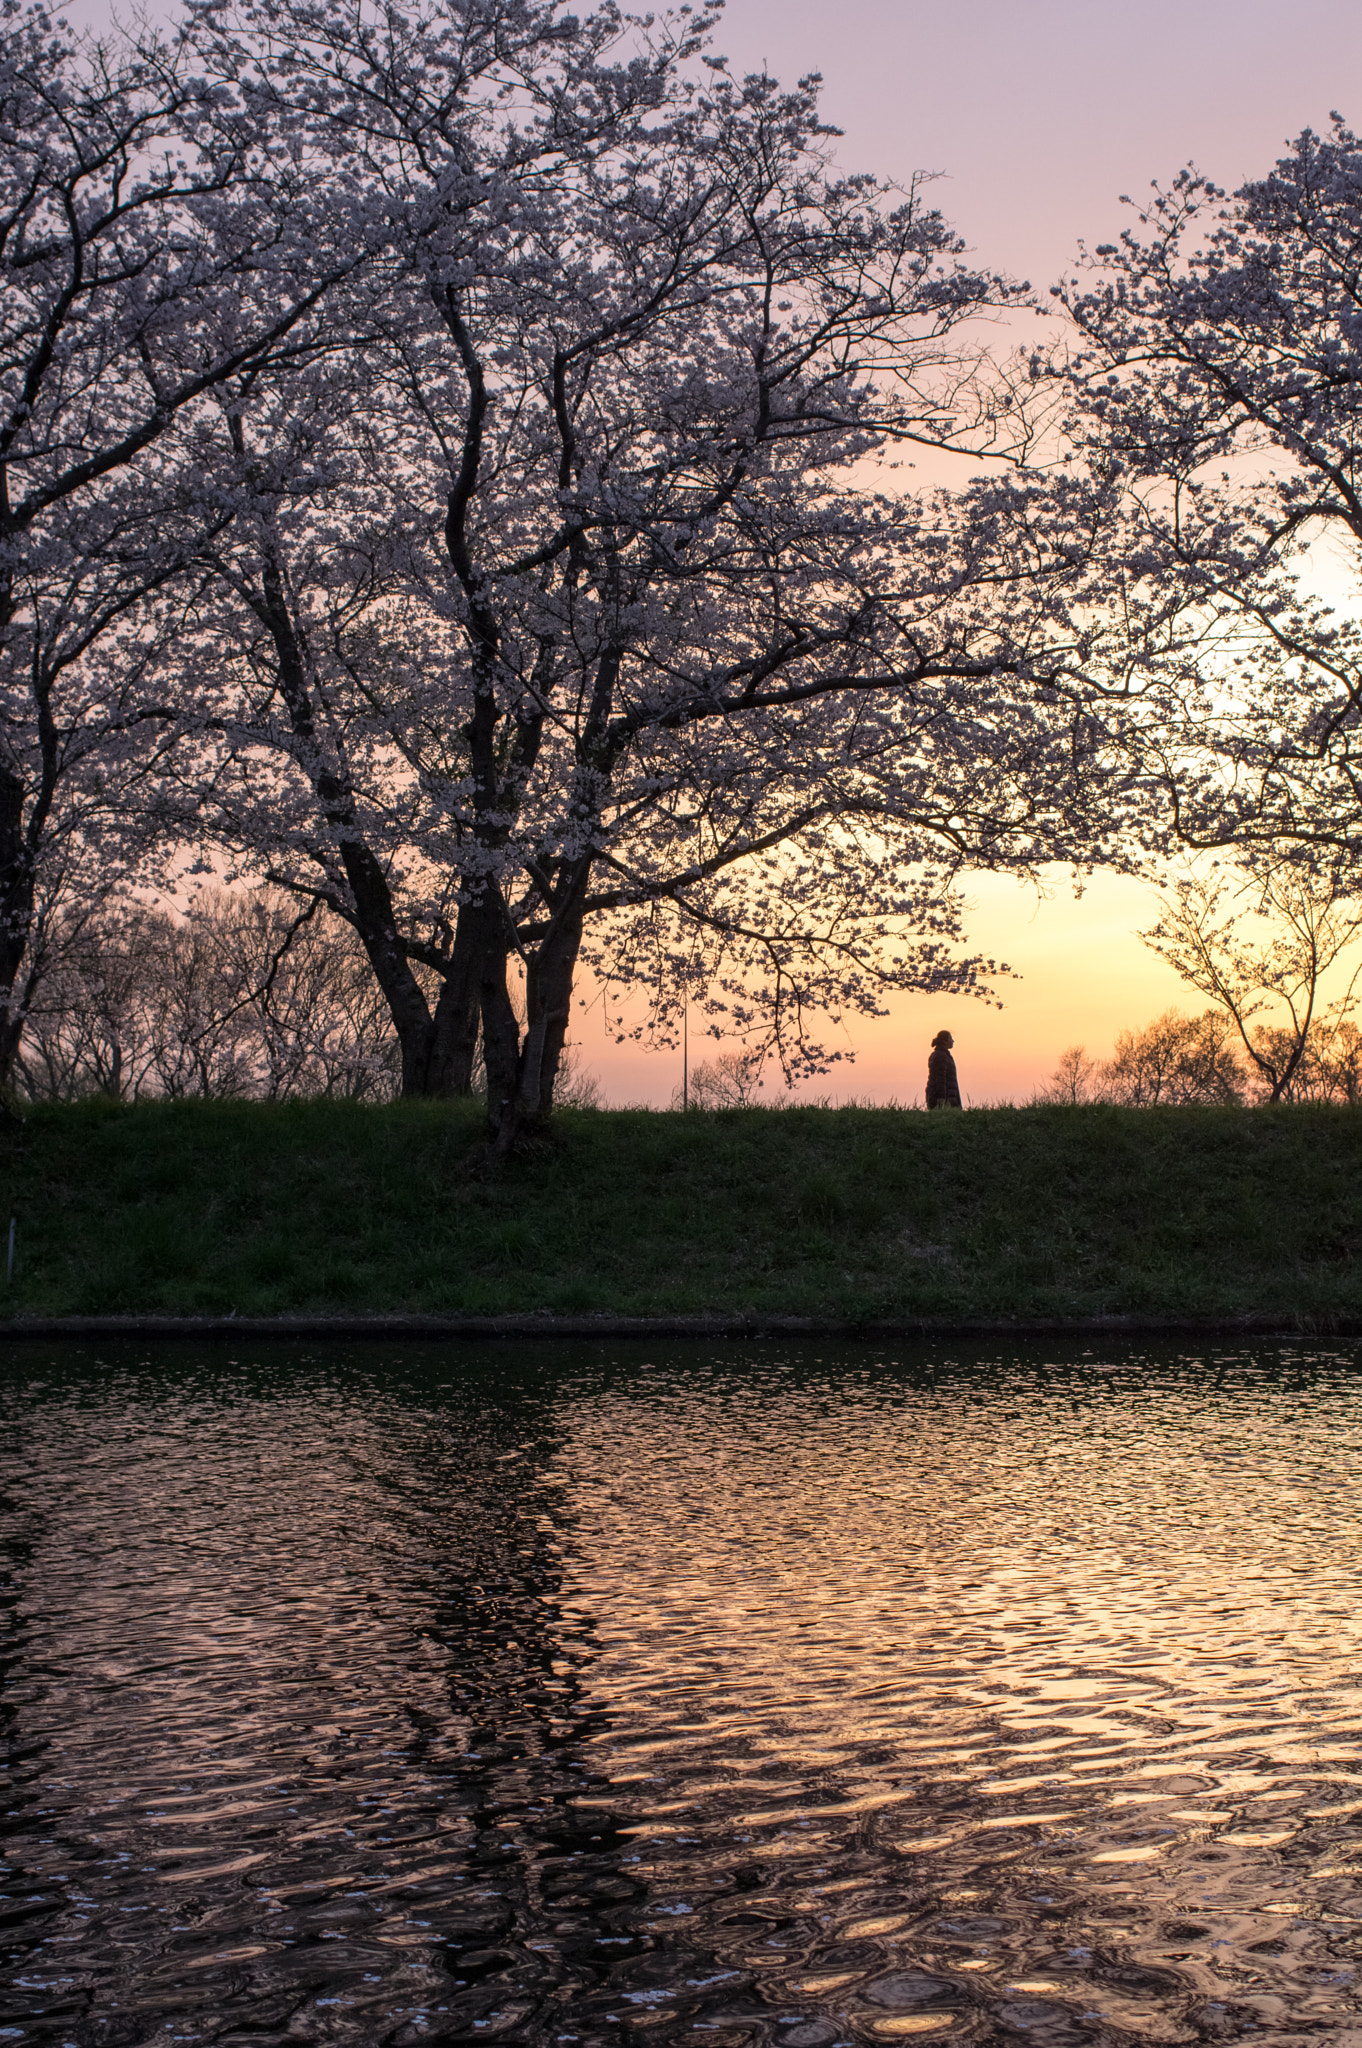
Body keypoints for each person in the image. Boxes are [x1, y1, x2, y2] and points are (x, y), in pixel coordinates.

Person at [925, 1030, 962, 1109]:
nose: (953, 1041)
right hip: (943, 1100)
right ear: (944, 1041)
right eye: (950, 1038)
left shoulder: (943, 1055)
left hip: (948, 1097)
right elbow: (940, 1079)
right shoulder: (940, 1056)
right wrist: (941, 1099)